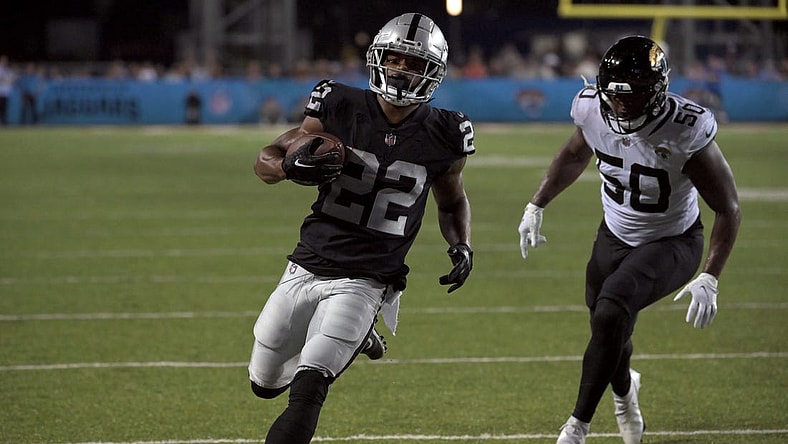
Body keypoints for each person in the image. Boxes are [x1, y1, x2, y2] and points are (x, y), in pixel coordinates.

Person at [248, 13, 475, 444]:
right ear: (377, 58)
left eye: (414, 63)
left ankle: (356, 328)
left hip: (369, 277)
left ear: (434, 72)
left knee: (309, 389)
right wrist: (287, 167)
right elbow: (267, 157)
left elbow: (452, 200)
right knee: (264, 383)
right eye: (395, 58)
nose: (401, 70)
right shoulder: (338, 104)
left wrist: (462, 244)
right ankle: (361, 337)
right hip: (308, 261)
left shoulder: (446, 132)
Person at [517, 36, 740, 444]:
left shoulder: (684, 130)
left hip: (672, 241)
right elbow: (574, 154)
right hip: (613, 235)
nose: (620, 105)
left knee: (610, 313)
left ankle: (576, 427)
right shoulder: (591, 109)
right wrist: (537, 204)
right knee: (607, 327)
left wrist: (711, 275)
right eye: (615, 94)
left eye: (632, 94)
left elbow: (727, 208)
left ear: (657, 91)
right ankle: (625, 395)